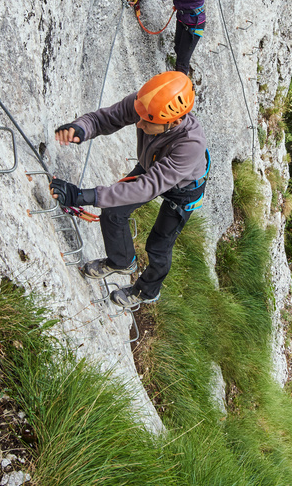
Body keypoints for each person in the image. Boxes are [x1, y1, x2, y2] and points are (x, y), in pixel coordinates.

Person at [50, 72, 209, 309]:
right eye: (141, 117)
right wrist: (79, 129)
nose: (139, 124)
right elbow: (104, 119)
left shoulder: (191, 145)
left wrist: (84, 196)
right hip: (152, 167)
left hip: (183, 190)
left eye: (147, 122)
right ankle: (121, 261)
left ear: (174, 122)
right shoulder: (146, 105)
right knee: (113, 211)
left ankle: (147, 291)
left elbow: (147, 187)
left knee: (158, 245)